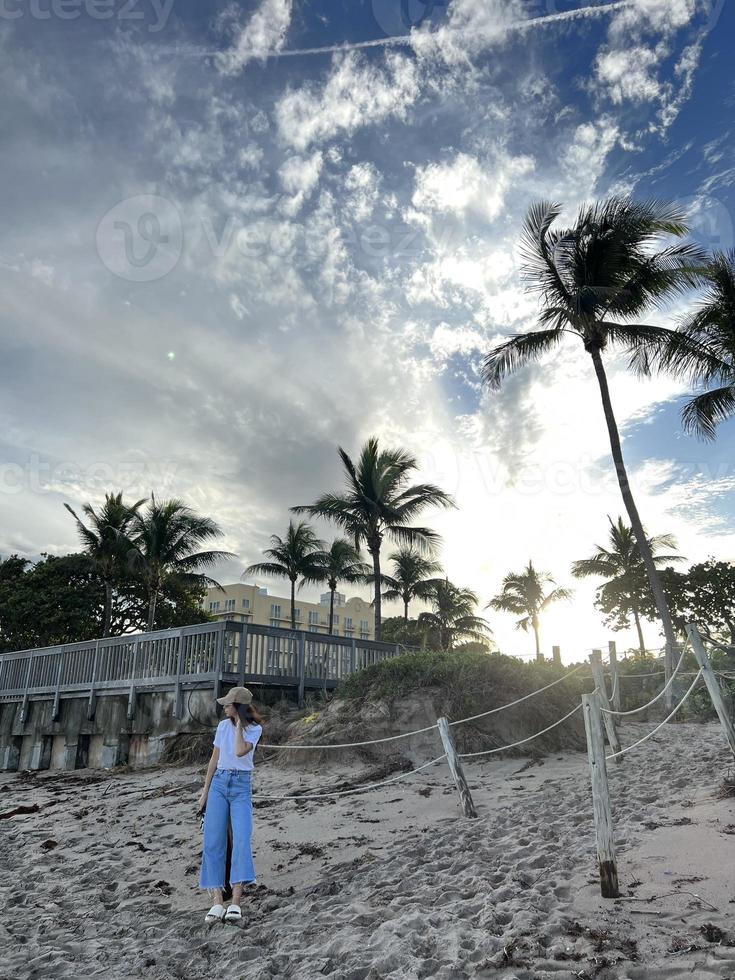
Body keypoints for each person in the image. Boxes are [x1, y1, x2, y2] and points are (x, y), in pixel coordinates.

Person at [197, 686, 263, 924]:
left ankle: (235, 902)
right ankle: (217, 901)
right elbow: (214, 759)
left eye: (228, 704)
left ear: (238, 707)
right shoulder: (222, 726)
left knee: (242, 839)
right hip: (219, 784)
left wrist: (238, 726)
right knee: (213, 841)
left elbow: (238, 751)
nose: (223, 707)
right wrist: (205, 793)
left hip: (240, 787)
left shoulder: (254, 730)